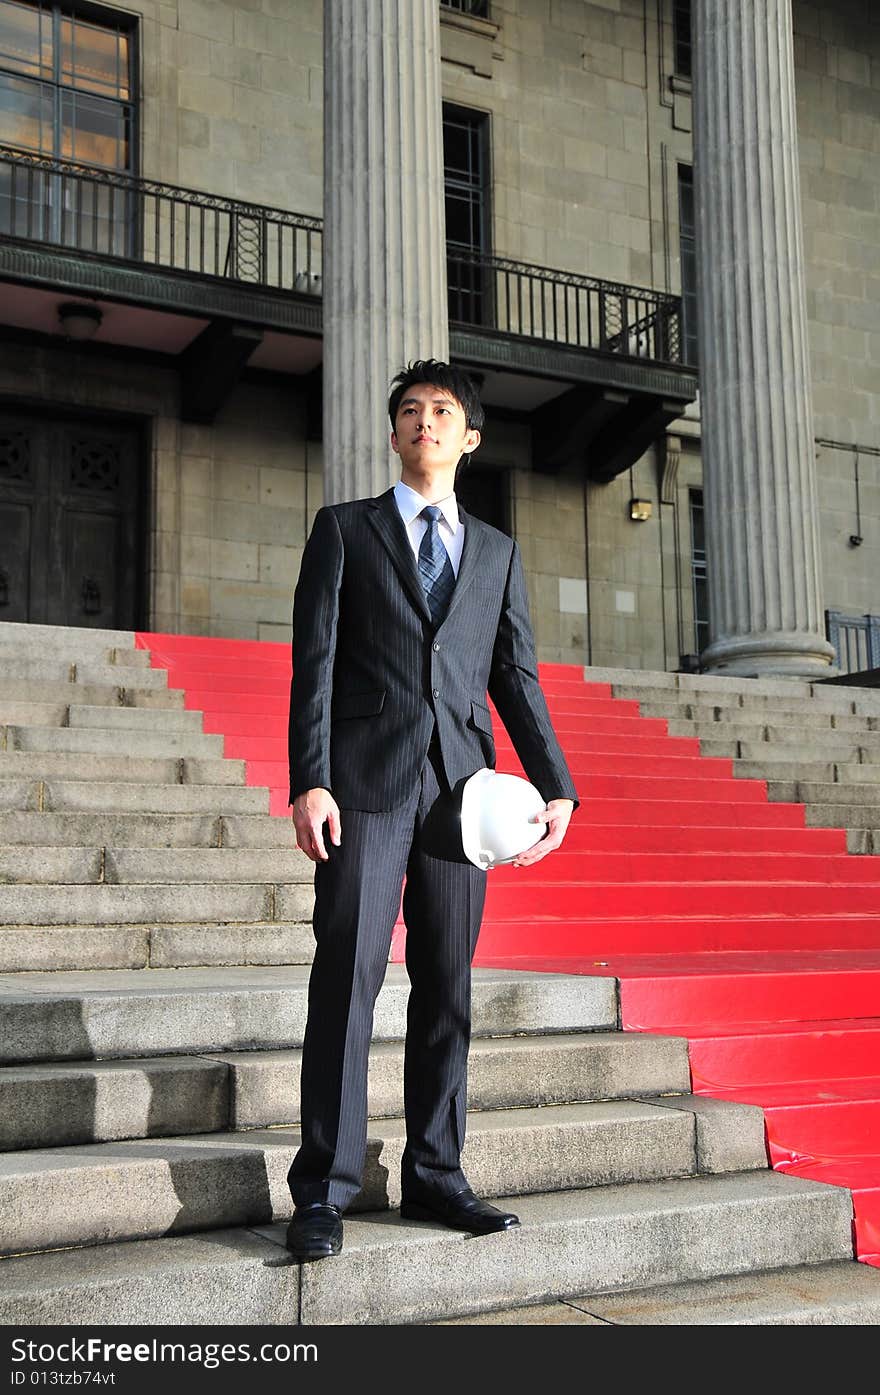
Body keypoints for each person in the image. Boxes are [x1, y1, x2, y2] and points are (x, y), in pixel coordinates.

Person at [285, 359, 578, 1261]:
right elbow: (317, 665)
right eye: (409, 410)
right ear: (393, 432)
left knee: (448, 985)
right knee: (349, 976)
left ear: (470, 436)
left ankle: (436, 1173)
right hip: (365, 783)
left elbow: (513, 674)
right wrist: (310, 778)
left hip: (461, 793)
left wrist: (556, 781)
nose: (425, 422)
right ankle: (325, 1189)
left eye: (442, 411)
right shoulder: (345, 530)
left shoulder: (494, 551)